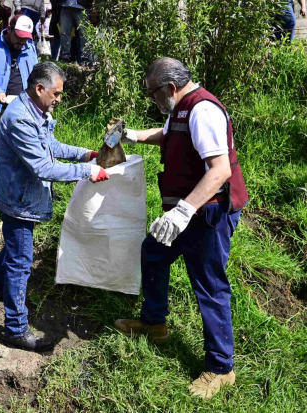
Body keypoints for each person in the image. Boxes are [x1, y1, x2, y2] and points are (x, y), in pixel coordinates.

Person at [113, 57, 249, 399]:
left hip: (207, 215)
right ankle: (154, 322)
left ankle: (221, 368)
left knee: (209, 285)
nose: (153, 100)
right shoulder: (182, 108)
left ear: (170, 88)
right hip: (186, 213)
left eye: (153, 94)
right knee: (153, 253)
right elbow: (169, 135)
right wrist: (130, 136)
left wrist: (183, 211)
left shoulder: (203, 111)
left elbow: (219, 171)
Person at [0, 62, 109, 351]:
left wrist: (86, 154)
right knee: (21, 262)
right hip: (18, 201)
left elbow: (51, 146)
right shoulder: (20, 119)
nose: (59, 99)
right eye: (57, 93)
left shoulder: (37, 111)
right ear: (39, 88)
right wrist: (86, 171)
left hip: (19, 196)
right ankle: (15, 329)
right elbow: (43, 166)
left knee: (13, 249)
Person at [0, 15, 38, 207]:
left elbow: (36, 72)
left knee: (27, 146)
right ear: (9, 29)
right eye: (19, 36)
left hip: (23, 105)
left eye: (26, 38)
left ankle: (31, 187)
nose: (22, 42)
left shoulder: (30, 47)